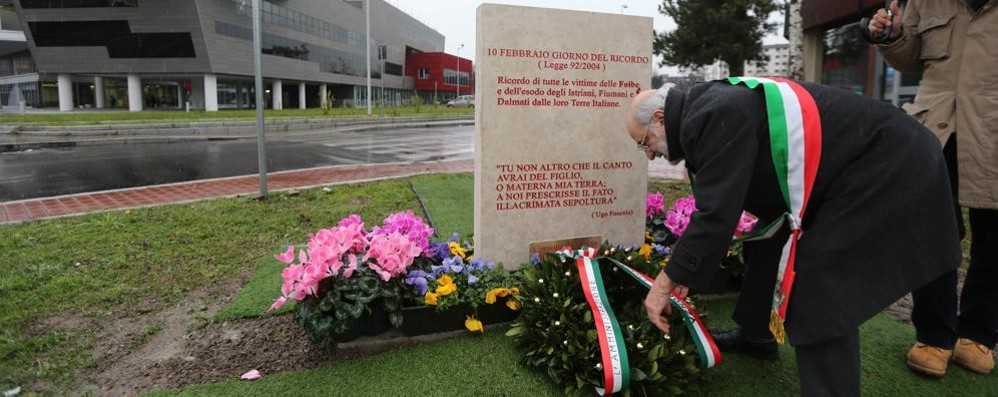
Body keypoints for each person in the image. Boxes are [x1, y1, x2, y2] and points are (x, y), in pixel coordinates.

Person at [632, 80, 962, 395]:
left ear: (660, 119)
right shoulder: (703, 109)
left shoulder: (709, 115)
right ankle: (757, 334)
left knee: (819, 273)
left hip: (890, 162)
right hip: (855, 167)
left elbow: (716, 215)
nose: (648, 155)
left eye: (643, 142)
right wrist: (690, 269)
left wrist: (664, 284)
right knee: (767, 236)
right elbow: (732, 200)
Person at [867, 0, 997, 377]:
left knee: (994, 240)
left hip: (993, 132)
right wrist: (891, 36)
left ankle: (978, 336)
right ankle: (934, 336)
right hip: (937, 129)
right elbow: (910, 59)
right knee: (931, 232)